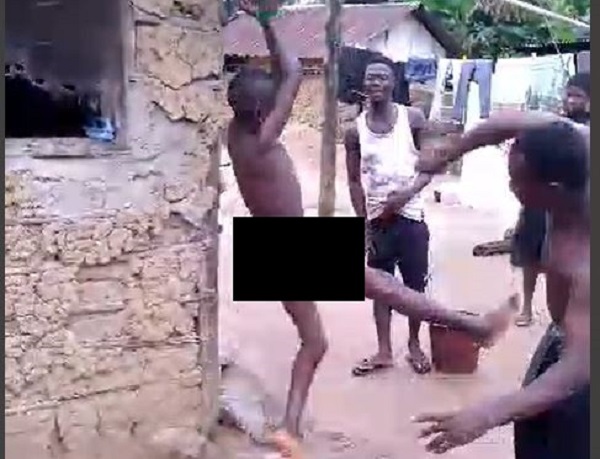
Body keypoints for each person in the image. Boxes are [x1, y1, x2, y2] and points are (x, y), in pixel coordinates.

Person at [414, 111, 589, 459]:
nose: (510, 188)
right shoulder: (572, 141)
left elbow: (580, 364)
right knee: (532, 431)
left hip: (583, 355)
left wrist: (488, 414)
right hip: (565, 334)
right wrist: (447, 154)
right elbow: (502, 124)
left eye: (517, 182)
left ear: (552, 189)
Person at [226, 0, 326, 444]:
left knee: (374, 286)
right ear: (262, 114)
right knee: (316, 342)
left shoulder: (235, 133)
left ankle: (290, 427)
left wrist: (263, 22)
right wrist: (267, 20)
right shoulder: (264, 140)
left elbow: (283, 76)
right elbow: (294, 73)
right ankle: (289, 427)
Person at [345, 54, 435, 376]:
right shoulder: (355, 131)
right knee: (381, 288)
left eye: (382, 77)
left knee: (414, 288)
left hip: (411, 218)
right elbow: (354, 181)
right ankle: (383, 351)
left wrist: (406, 195)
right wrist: (363, 226)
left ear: (394, 83)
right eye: (371, 77)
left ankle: (414, 344)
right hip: (377, 222)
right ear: (364, 83)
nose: (376, 83)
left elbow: (430, 167)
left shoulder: (413, 119)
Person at [511, 72, 590, 327]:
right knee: (531, 255)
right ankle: (527, 307)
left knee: (566, 259)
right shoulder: (552, 124)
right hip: (541, 202)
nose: (571, 100)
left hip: (570, 204)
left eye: (578, 96)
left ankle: (566, 316)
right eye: (569, 95)